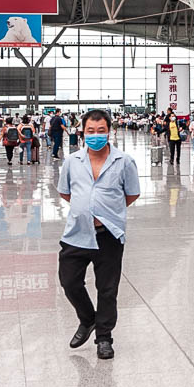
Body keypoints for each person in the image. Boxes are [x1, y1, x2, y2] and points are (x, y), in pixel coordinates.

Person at [56, 110, 140, 360]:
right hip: (77, 233)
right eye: (90, 131)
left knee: (107, 289)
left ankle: (104, 338)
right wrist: (86, 208)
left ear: (109, 131)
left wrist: (107, 211)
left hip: (109, 235)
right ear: (82, 131)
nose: (95, 136)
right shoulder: (72, 161)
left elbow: (132, 194)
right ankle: (88, 319)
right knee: (69, 281)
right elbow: (65, 192)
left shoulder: (123, 161)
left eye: (100, 131)